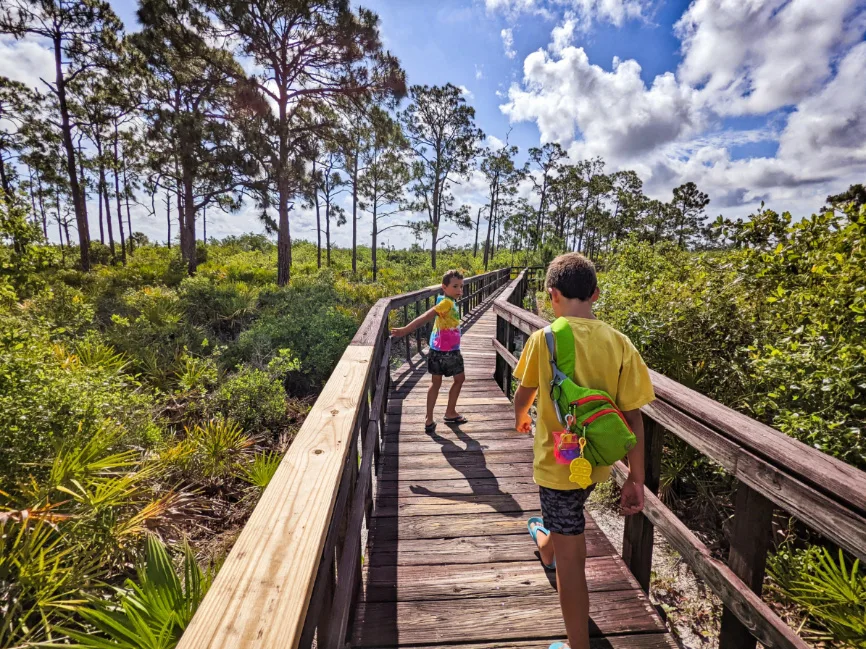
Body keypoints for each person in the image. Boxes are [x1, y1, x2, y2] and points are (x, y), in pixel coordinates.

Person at [512, 253, 655, 649]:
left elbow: (524, 393)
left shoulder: (545, 339)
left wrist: (521, 417)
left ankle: (578, 646)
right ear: (594, 293)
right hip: (596, 464)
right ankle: (545, 545)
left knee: (572, 560)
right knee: (565, 518)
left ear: (551, 294)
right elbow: (634, 417)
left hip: (557, 464)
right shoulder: (619, 342)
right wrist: (637, 478)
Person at [391, 269, 468, 432]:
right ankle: (450, 412)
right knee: (459, 379)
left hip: (437, 349)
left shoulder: (447, 300)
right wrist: (406, 330)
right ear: (444, 287)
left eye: (461, 286)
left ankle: (429, 418)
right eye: (455, 286)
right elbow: (426, 316)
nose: (459, 290)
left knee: (436, 383)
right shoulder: (446, 303)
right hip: (449, 351)